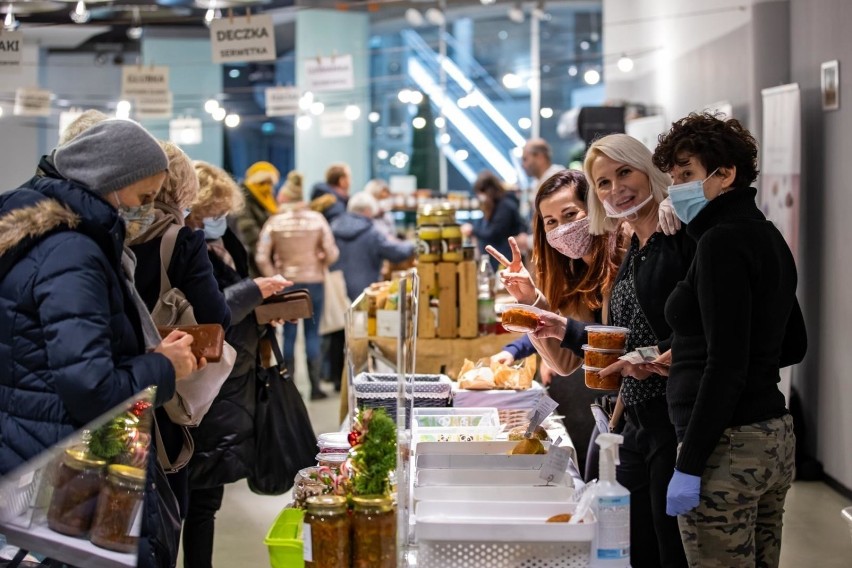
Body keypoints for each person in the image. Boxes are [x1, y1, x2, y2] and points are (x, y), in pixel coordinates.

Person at [0, 119, 198, 568]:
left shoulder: (31, 233)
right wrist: (165, 367)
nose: (147, 210)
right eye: (144, 198)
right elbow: (93, 390)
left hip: (27, 448)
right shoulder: (72, 251)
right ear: (112, 183)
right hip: (68, 472)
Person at [651, 113, 807, 567]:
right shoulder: (768, 235)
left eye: (687, 174)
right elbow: (792, 344)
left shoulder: (720, 243)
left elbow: (726, 365)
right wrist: (695, 350)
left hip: (727, 446)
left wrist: (690, 463)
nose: (676, 187)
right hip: (773, 437)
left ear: (726, 174)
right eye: (673, 176)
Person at [533, 133, 694, 568]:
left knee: (667, 548)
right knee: (634, 545)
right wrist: (556, 325)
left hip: (673, 422)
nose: (615, 188)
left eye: (624, 172)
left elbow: (704, 335)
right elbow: (613, 341)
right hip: (631, 421)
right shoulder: (635, 251)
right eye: (603, 182)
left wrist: (646, 359)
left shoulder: (674, 236)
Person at [182, 161, 291, 568]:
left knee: (208, 494)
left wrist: (265, 309)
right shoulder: (180, 247)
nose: (219, 220)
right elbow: (204, 314)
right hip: (202, 378)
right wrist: (254, 292)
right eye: (212, 213)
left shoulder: (225, 237)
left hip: (234, 371)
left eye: (223, 212)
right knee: (194, 490)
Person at [487, 169, 626, 474]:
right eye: (551, 222)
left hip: (644, 414)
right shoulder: (575, 275)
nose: (562, 229)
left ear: (595, 209)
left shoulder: (628, 256)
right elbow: (564, 361)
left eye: (570, 214)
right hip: (615, 412)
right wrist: (528, 300)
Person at [127, 141, 231, 519]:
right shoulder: (182, 239)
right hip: (165, 387)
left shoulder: (108, 231)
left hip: (114, 383)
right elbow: (217, 318)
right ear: (184, 188)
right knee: (165, 506)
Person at [256, 170, 339, 400]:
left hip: (287, 285)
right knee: (313, 334)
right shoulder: (317, 219)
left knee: (289, 334)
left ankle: (288, 386)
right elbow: (333, 253)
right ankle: (315, 388)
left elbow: (262, 256)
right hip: (315, 284)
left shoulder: (275, 221)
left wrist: (275, 278)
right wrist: (320, 258)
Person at [326, 192, 416, 390]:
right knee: (362, 336)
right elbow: (395, 251)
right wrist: (414, 243)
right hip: (363, 289)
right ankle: (359, 376)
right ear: (368, 211)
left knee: (337, 332)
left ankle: (334, 378)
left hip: (337, 287)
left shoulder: (333, 226)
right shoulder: (371, 230)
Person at [462, 170, 528, 269]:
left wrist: (473, 229)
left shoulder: (505, 206)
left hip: (506, 261)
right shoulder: (496, 206)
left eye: (481, 193)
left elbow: (493, 233)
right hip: (497, 260)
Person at [236, 161, 280, 277]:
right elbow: (247, 229)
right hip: (253, 260)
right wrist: (264, 254)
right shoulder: (244, 199)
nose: (267, 187)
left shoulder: (268, 199)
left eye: (270, 183)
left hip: (268, 257)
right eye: (263, 182)